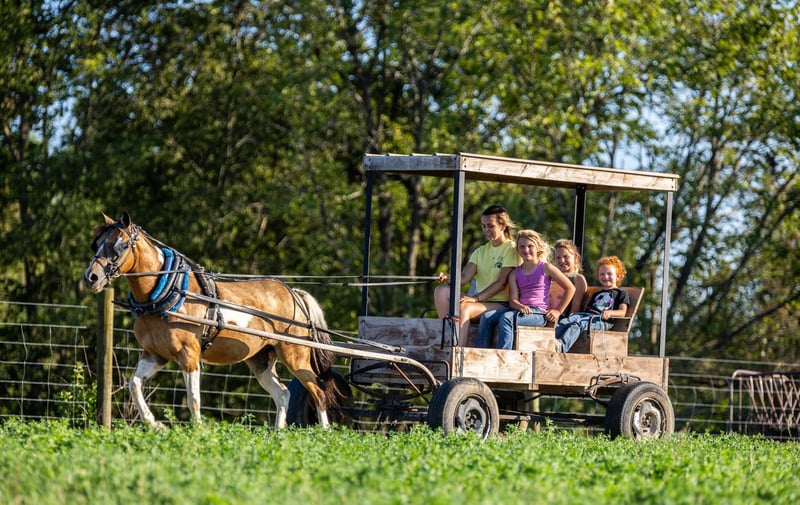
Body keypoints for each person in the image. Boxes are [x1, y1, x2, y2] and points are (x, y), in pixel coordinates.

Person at [434, 204, 519, 346]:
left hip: (502, 304)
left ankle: (457, 351)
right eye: (483, 226)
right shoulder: (480, 251)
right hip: (481, 302)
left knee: (465, 307)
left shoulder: (511, 249)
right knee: (441, 291)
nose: (486, 230)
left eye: (490, 226)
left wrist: (475, 298)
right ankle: (448, 335)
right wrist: (447, 277)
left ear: (503, 226)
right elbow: (464, 278)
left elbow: (501, 283)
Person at [477, 230, 575, 349]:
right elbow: (513, 300)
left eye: (530, 246)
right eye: (522, 247)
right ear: (517, 250)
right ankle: (482, 352)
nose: (526, 250)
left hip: (538, 313)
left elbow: (570, 288)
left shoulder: (546, 268)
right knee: (487, 316)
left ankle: (504, 354)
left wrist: (558, 311)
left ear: (537, 247)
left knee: (507, 318)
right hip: (520, 310)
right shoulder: (514, 273)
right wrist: (520, 306)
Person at [555, 255, 630, 352]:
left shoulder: (621, 293)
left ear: (618, 276)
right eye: (602, 274)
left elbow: (622, 312)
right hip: (587, 316)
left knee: (578, 324)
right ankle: (551, 340)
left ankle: (561, 346)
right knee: (567, 320)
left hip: (601, 321)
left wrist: (610, 313)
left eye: (609, 274)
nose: (605, 277)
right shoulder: (596, 293)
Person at [549, 239, 588, 318]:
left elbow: (576, 305)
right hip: (544, 314)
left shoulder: (578, 279)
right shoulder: (550, 276)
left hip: (561, 317)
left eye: (565, 256)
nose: (562, 260)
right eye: (558, 258)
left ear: (575, 257)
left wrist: (567, 321)